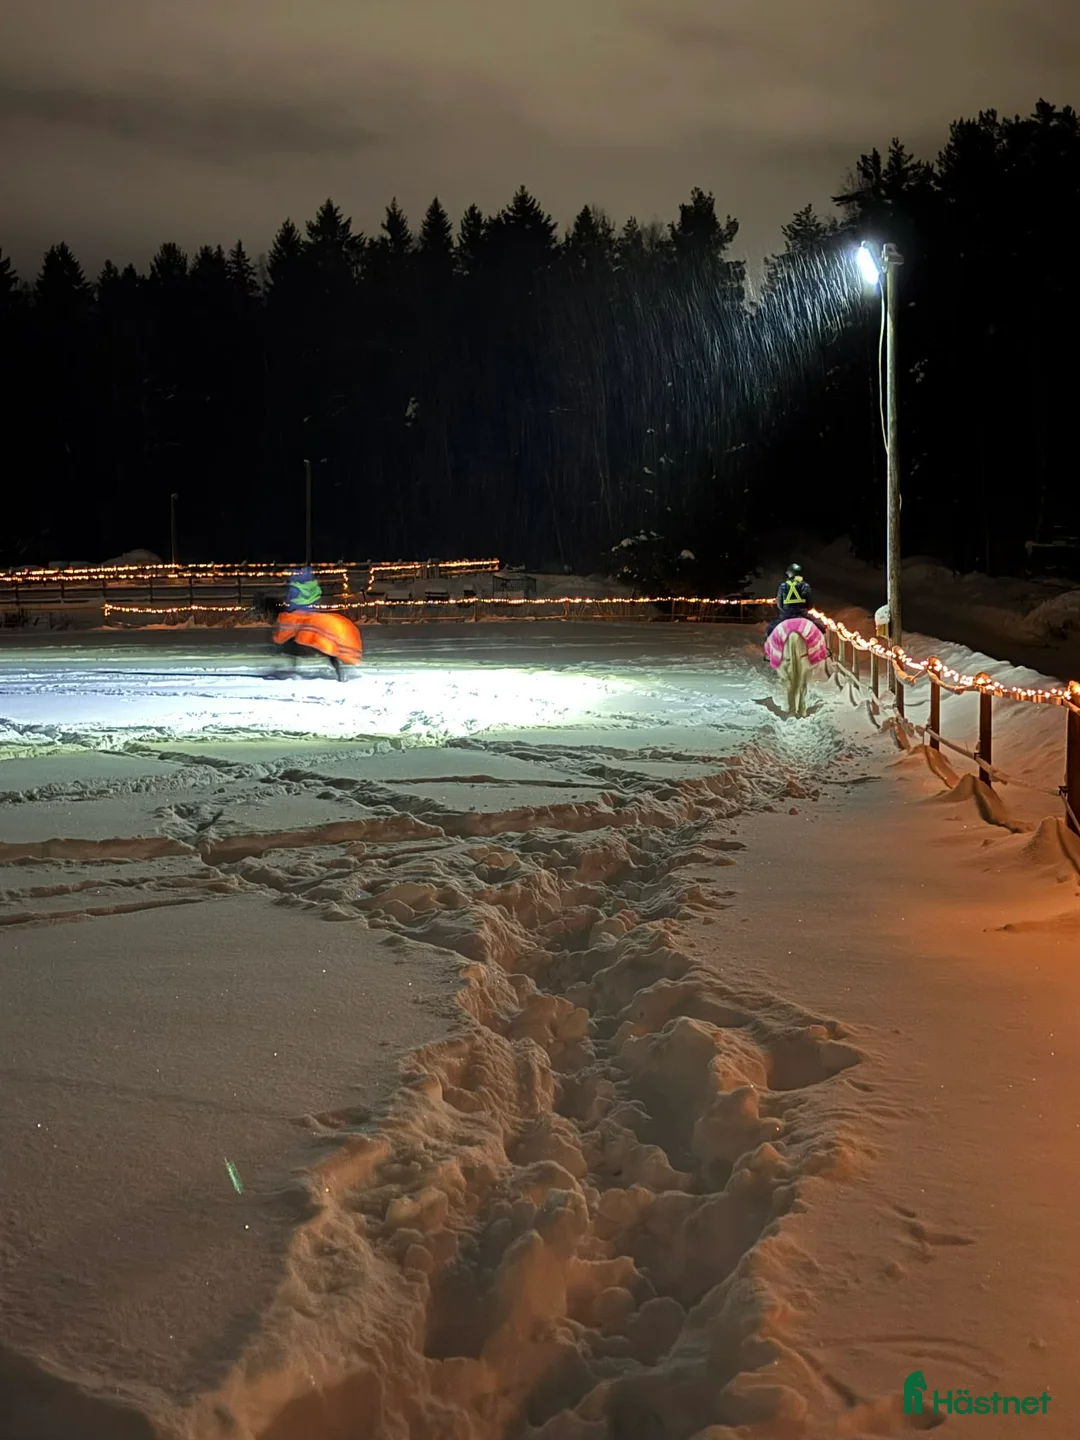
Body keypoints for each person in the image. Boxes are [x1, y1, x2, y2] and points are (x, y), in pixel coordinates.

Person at [766, 563, 820, 637]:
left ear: (790, 574)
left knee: (770, 630)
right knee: (821, 628)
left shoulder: (783, 586)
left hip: (786, 615)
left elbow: (779, 605)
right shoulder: (805, 585)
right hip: (802, 614)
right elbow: (810, 604)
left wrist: (786, 611)